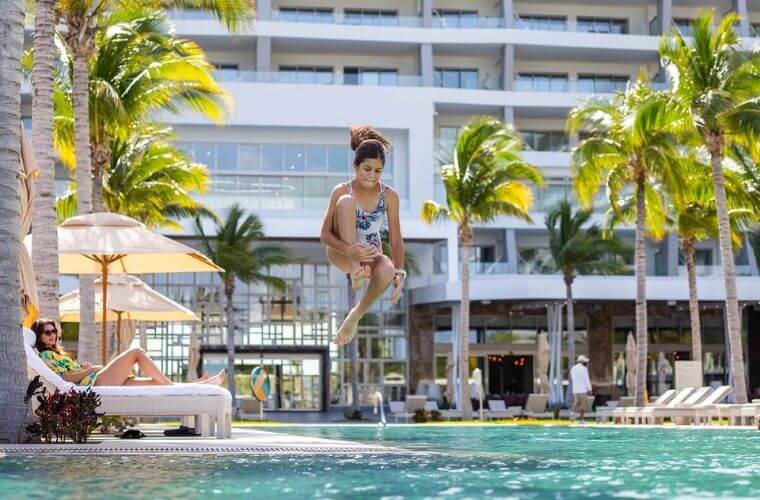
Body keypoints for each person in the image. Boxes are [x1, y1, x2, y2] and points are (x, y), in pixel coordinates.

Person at [320, 125, 405, 345]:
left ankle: (354, 315)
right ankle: (355, 272)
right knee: (347, 203)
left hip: (370, 255)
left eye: (377, 171)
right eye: (367, 169)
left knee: (387, 268)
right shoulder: (341, 191)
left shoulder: (389, 196)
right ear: (356, 166)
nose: (372, 175)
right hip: (341, 251)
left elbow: (395, 239)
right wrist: (350, 250)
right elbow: (324, 235)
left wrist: (399, 272)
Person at [32, 318, 225, 387]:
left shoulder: (57, 354)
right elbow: (64, 379)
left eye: (54, 331)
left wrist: (84, 368)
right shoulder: (46, 356)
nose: (53, 335)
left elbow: (70, 373)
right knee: (136, 352)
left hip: (94, 379)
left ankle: (199, 384)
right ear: (39, 336)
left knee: (154, 383)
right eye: (48, 332)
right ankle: (185, 385)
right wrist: (90, 371)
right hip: (95, 382)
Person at [570, 354, 592, 424]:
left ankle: (572, 414)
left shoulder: (573, 368)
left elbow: (573, 379)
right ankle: (581, 420)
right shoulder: (584, 369)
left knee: (576, 402)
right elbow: (586, 379)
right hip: (582, 390)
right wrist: (589, 389)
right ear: (583, 362)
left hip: (575, 390)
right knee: (583, 405)